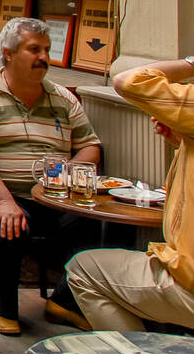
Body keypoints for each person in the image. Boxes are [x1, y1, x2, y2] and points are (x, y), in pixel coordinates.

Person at [0, 17, 102, 335]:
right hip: (1, 195)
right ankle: (5, 309)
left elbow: (90, 147)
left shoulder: (63, 100)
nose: (43, 58)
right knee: (4, 226)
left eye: (47, 50)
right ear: (8, 53)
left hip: (54, 198)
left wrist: (66, 174)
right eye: (33, 49)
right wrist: (5, 201)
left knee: (92, 223)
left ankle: (64, 302)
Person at [66, 56, 194, 331]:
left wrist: (191, 62)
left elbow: (128, 80)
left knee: (82, 270)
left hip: (189, 283)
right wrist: (182, 139)